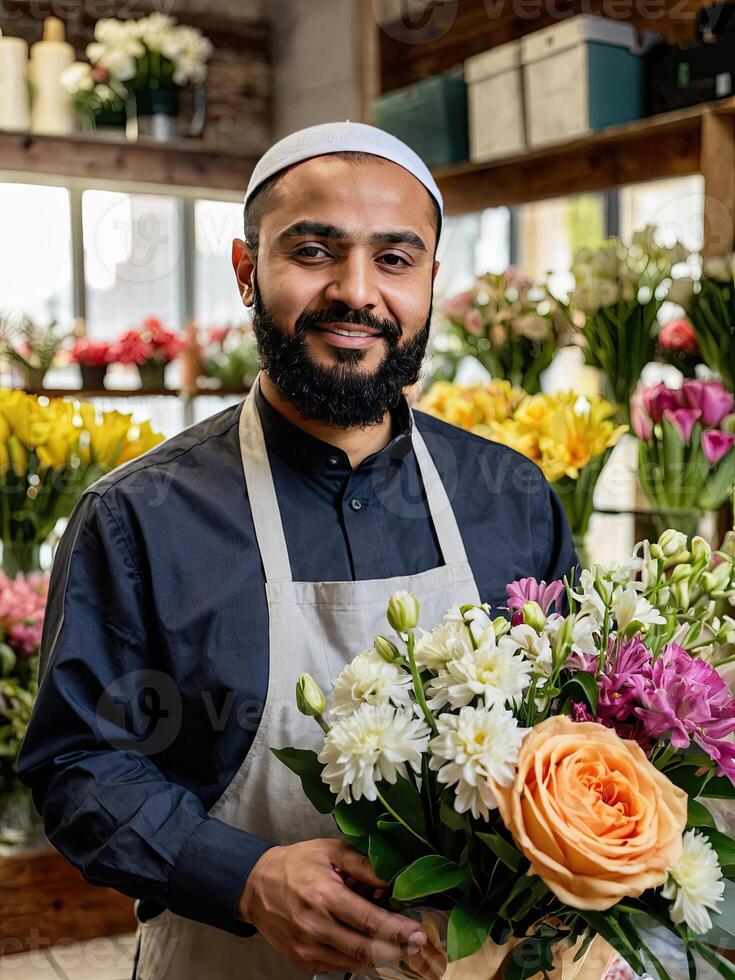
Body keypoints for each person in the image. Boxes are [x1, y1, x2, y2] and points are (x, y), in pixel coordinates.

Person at [18, 121, 577, 979]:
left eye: (394, 259)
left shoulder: (512, 498)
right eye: (313, 250)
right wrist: (242, 876)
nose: (356, 292)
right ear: (247, 271)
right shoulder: (138, 517)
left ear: (432, 277)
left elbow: (577, 731)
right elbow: (80, 767)